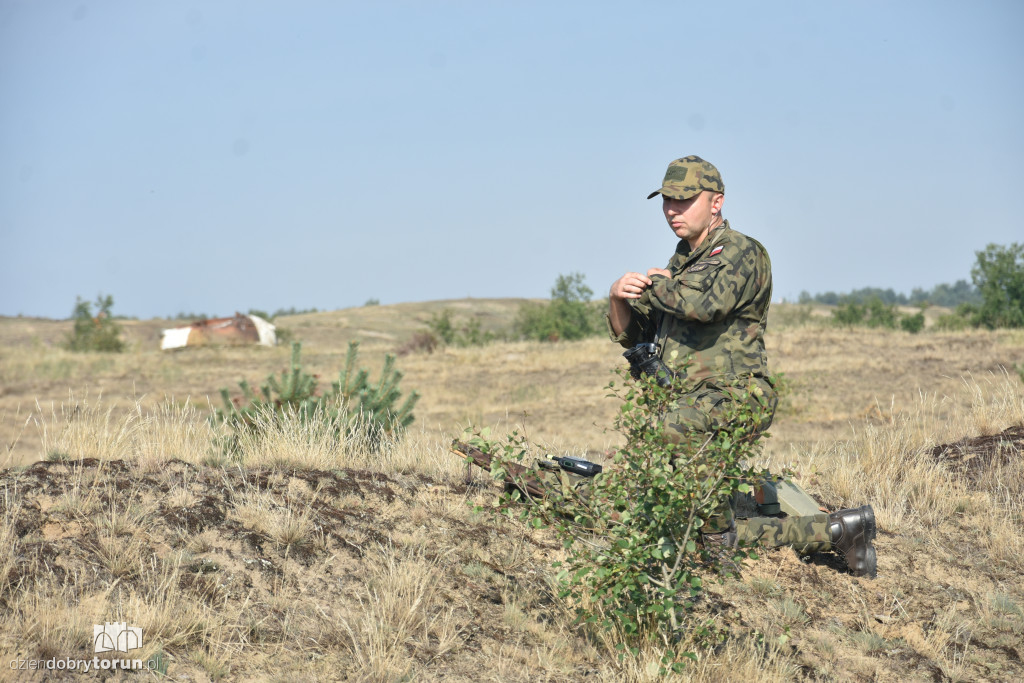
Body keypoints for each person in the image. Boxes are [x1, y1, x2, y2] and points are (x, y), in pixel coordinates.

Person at [607, 156, 877, 578]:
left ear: (716, 202)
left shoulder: (740, 252)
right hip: (687, 401)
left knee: (677, 441)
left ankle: (719, 557)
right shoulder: (681, 264)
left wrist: (658, 284)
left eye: (684, 200)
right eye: (666, 202)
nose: (672, 210)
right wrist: (617, 298)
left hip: (735, 395)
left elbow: (700, 304)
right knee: (676, 517)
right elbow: (634, 335)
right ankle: (839, 531)